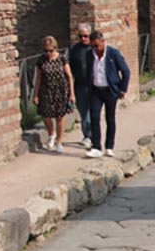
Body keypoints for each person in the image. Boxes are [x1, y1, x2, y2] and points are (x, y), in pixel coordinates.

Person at [85, 29, 130, 159]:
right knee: (94, 117)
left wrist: (122, 89)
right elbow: (89, 71)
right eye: (92, 46)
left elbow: (125, 71)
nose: (95, 49)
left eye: (97, 45)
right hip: (96, 90)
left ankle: (109, 146)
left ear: (103, 42)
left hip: (110, 90)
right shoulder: (90, 55)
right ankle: (96, 147)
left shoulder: (113, 54)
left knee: (110, 118)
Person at [32, 36, 75, 154]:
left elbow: (69, 76)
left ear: (55, 48)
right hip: (46, 91)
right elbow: (38, 78)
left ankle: (59, 142)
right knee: (45, 115)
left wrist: (72, 93)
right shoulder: (41, 60)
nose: (48, 53)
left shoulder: (61, 58)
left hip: (60, 91)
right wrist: (35, 94)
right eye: (45, 51)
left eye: (50, 50)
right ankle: (52, 133)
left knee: (59, 117)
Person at [68, 24, 93, 149]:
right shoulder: (75, 50)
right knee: (84, 112)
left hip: (94, 86)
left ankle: (92, 135)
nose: (83, 39)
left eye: (86, 36)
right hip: (80, 85)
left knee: (93, 111)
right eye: (80, 36)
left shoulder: (94, 48)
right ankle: (87, 135)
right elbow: (70, 68)